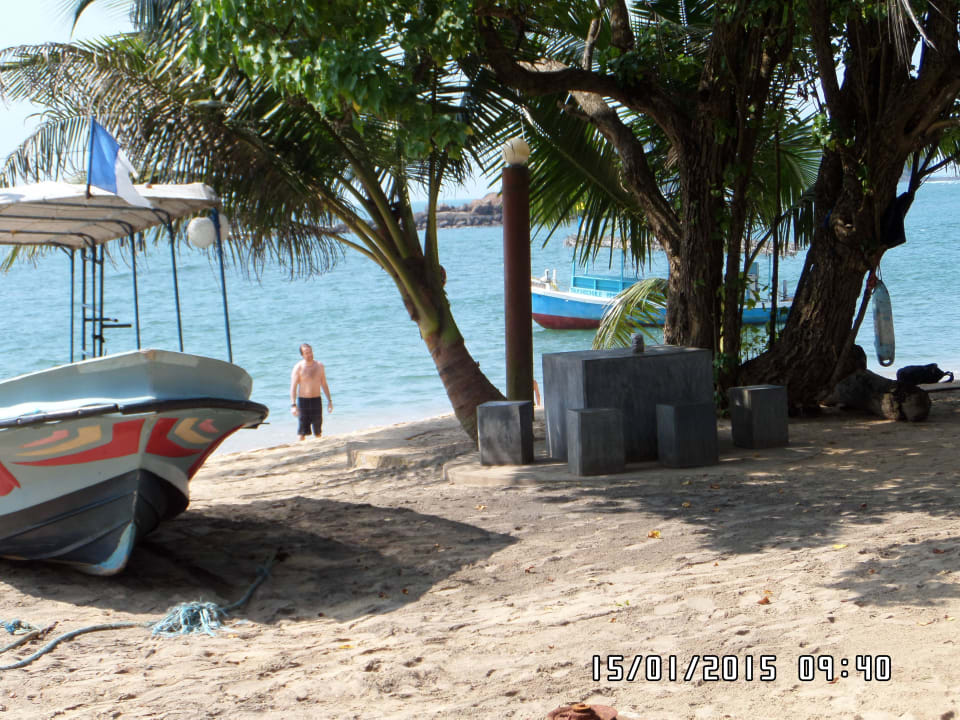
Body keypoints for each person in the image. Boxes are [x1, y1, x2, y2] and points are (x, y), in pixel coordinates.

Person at [290, 343, 333, 440]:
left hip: (316, 401)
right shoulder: (298, 367)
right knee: (302, 432)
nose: (309, 354)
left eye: (310, 352)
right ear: (302, 355)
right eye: (306, 353)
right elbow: (293, 387)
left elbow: (324, 384)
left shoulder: (319, 366)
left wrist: (329, 401)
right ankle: (301, 447)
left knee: (318, 431)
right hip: (303, 401)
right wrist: (293, 405)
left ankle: (319, 447)